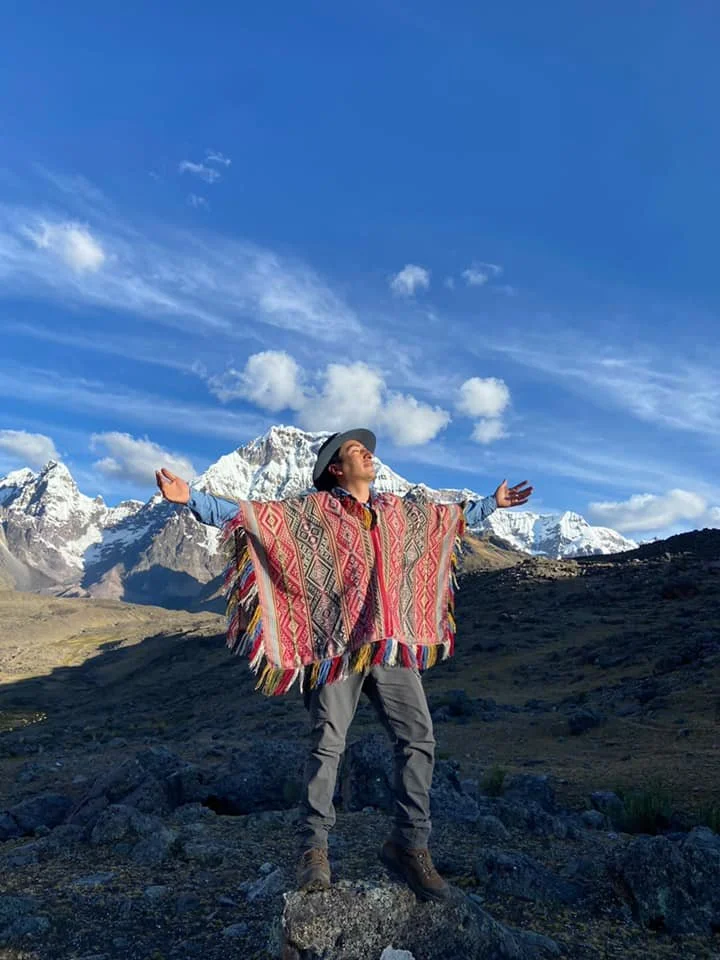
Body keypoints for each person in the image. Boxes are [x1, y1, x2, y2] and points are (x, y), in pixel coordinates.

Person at [156, 428, 532, 901]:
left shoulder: (395, 511)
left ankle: (410, 846)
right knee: (327, 745)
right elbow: (249, 517)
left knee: (419, 739)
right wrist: (190, 498)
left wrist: (492, 504)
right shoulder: (312, 512)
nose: (368, 454)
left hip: (390, 644)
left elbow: (446, 519)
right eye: (357, 450)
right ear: (336, 468)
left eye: (367, 449)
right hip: (336, 645)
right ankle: (314, 851)